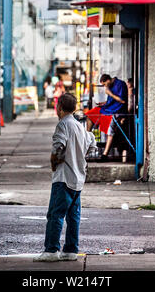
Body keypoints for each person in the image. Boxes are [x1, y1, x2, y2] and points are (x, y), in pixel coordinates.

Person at [34, 93, 96, 262]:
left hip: (63, 178)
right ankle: (70, 250)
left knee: (55, 214)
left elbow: (58, 147)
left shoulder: (63, 125)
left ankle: (51, 250)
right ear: (74, 108)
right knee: (73, 217)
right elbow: (92, 144)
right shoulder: (79, 126)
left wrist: (55, 163)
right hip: (78, 178)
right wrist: (79, 156)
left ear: (59, 107)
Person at [85, 74, 128, 161]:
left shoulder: (120, 84)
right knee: (90, 114)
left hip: (116, 111)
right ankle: (88, 137)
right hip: (107, 108)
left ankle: (105, 154)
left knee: (109, 127)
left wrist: (110, 94)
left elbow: (122, 101)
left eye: (104, 84)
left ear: (108, 80)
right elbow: (111, 100)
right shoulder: (109, 86)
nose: (105, 86)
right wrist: (104, 103)